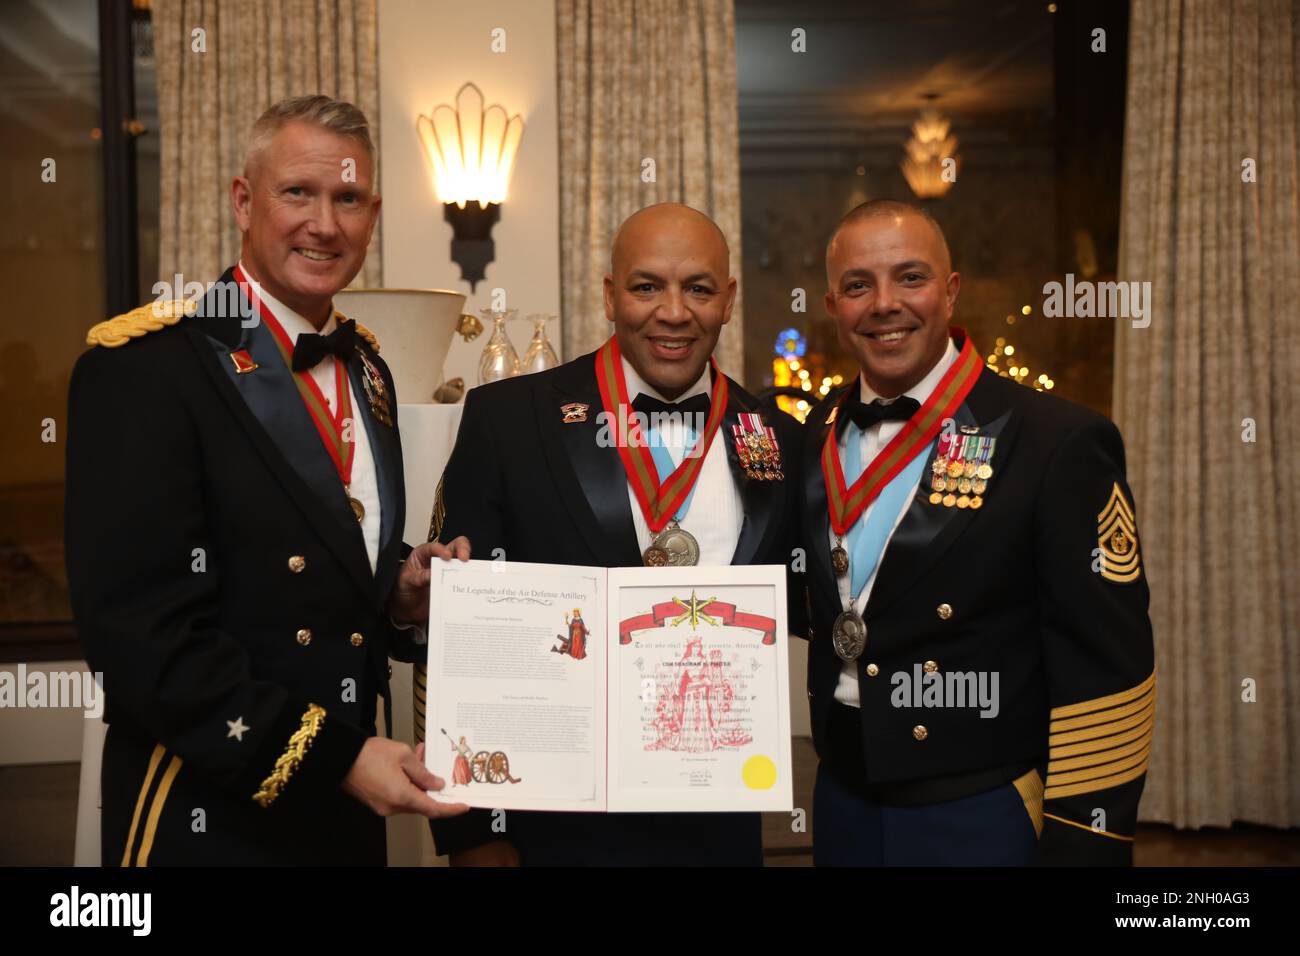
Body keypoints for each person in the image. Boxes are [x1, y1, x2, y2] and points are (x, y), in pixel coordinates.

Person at [65, 95, 468, 866]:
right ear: (244, 202)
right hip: (207, 805)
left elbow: (325, 566)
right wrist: (335, 759)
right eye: (298, 193)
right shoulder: (145, 371)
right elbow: (140, 642)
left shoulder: (368, 368)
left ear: (373, 213)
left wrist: (399, 591)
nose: (325, 223)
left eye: (348, 199)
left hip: (346, 806)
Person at [429, 202, 800, 866]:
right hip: (552, 829)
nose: (674, 311)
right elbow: (457, 634)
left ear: (729, 301)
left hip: (718, 826)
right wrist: (474, 836)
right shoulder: (511, 421)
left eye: (699, 288)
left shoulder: (775, 437)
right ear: (609, 294)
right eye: (647, 285)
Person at [798, 199, 1154, 866]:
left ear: (950, 289)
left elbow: (1110, 666)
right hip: (842, 802)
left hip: (979, 810)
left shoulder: (1056, 441)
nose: (884, 304)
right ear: (833, 305)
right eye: (858, 285)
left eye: (911, 277)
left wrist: (1087, 839)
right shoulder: (815, 434)